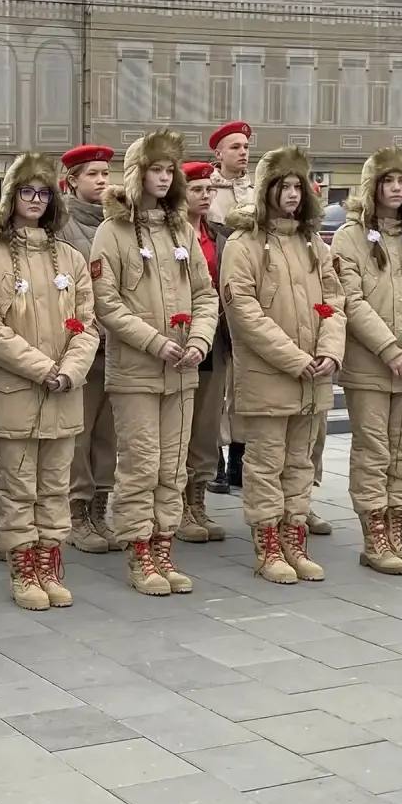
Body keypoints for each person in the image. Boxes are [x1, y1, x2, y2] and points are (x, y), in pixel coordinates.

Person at [0, 153, 98, 610]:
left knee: (55, 485)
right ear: (11, 197)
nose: (36, 200)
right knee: (19, 485)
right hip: (16, 391)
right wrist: (43, 368)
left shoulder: (71, 257)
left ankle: (49, 560)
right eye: (27, 192)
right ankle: (23, 566)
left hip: (65, 390)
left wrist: (71, 370)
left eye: (43, 193)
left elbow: (88, 323)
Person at [91, 133, 218, 595]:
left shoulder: (182, 228)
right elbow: (106, 302)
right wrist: (154, 342)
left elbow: (206, 293)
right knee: (141, 464)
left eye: (170, 171)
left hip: (182, 369)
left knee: (173, 466)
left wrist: (200, 339)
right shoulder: (113, 231)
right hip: (136, 372)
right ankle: (138, 549)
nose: (164, 179)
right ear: (137, 172)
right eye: (156, 170)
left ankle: (164, 545)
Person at [221, 147, 346, 584]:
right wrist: (295, 359)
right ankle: (268, 543)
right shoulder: (244, 243)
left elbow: (334, 300)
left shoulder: (312, 241)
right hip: (269, 375)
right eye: (283, 186)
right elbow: (246, 313)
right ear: (266, 190)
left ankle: (295, 536)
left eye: (298, 186)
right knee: (266, 463)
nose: (292, 194)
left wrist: (330, 349)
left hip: (313, 376)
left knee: (300, 463)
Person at [332, 148, 402, 576]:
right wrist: (388, 348)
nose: (396, 189)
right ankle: (375, 535)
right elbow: (352, 299)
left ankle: (399, 529)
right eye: (387, 182)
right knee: (374, 449)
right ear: (372, 187)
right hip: (372, 364)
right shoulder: (349, 237)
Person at [59, 145, 120, 554]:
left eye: (105, 173)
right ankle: (76, 512)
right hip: (84, 344)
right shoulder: (63, 226)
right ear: (72, 181)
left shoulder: (119, 222)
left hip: (120, 344)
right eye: (93, 174)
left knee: (108, 434)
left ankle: (101, 508)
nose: (102, 180)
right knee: (79, 434)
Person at [177, 161, 231, 544]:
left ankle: (198, 499)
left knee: (207, 424)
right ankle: (178, 505)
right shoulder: (172, 234)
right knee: (180, 425)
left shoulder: (220, 235)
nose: (205, 195)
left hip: (215, 337)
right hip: (179, 336)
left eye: (209, 189)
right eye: (197, 189)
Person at [206, 121, 253, 494]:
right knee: (216, 383)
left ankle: (240, 453)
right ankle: (215, 457)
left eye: (246, 146)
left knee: (243, 382)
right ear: (218, 154)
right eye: (235, 146)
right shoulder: (208, 192)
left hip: (248, 299)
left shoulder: (256, 191)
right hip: (214, 298)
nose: (243, 152)